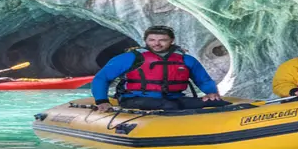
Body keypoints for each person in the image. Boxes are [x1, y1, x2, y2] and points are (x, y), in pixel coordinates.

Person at [93, 26, 229, 111]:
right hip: (135, 98)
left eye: (162, 40)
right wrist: (102, 101)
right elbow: (101, 78)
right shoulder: (130, 58)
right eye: (152, 40)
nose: (156, 44)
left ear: (172, 40)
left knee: (218, 103)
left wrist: (211, 93)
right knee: (169, 106)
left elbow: (203, 80)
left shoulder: (185, 59)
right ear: (146, 41)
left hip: (174, 98)